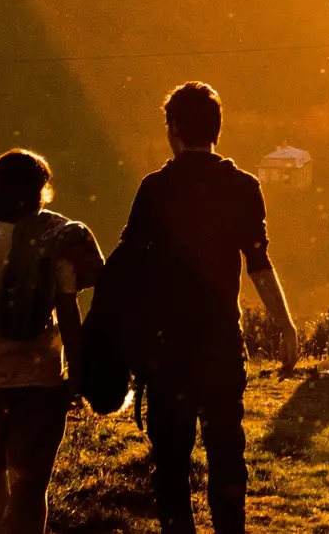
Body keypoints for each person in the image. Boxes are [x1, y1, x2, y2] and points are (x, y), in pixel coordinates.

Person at [119, 82, 298, 534]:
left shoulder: (155, 188)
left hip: (167, 348)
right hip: (220, 341)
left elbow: (129, 268)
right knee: (225, 452)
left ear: (173, 128)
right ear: (218, 129)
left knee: (172, 462)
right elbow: (258, 262)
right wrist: (286, 325)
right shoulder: (242, 186)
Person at [0, 149, 100, 534]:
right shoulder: (51, 244)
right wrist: (76, 371)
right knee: (30, 490)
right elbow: (68, 311)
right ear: (38, 192)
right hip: (42, 382)